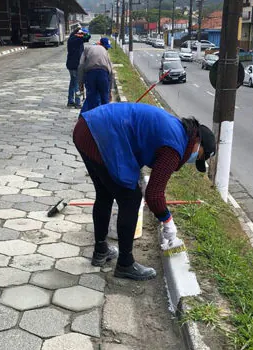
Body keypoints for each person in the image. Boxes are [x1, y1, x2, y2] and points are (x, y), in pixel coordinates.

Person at [73, 103, 216, 281]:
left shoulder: (176, 130)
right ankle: (125, 264)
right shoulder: (174, 146)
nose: (193, 160)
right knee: (131, 198)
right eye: (200, 156)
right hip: (98, 133)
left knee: (105, 193)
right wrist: (168, 222)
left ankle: (100, 250)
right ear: (198, 143)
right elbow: (154, 194)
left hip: (86, 127)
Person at [78, 37, 114, 113]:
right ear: (102, 44)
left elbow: (81, 66)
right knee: (105, 100)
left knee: (91, 99)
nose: (107, 49)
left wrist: (80, 83)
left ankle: (88, 120)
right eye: (106, 47)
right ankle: (106, 119)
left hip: (90, 75)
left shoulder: (87, 48)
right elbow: (111, 71)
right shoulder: (105, 51)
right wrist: (110, 90)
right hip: (103, 74)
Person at [66, 25, 91, 108]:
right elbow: (88, 36)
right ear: (78, 33)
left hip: (70, 65)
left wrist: (80, 32)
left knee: (72, 83)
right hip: (76, 65)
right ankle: (77, 103)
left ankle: (70, 101)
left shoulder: (71, 38)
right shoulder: (78, 39)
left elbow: (86, 38)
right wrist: (83, 32)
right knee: (77, 83)